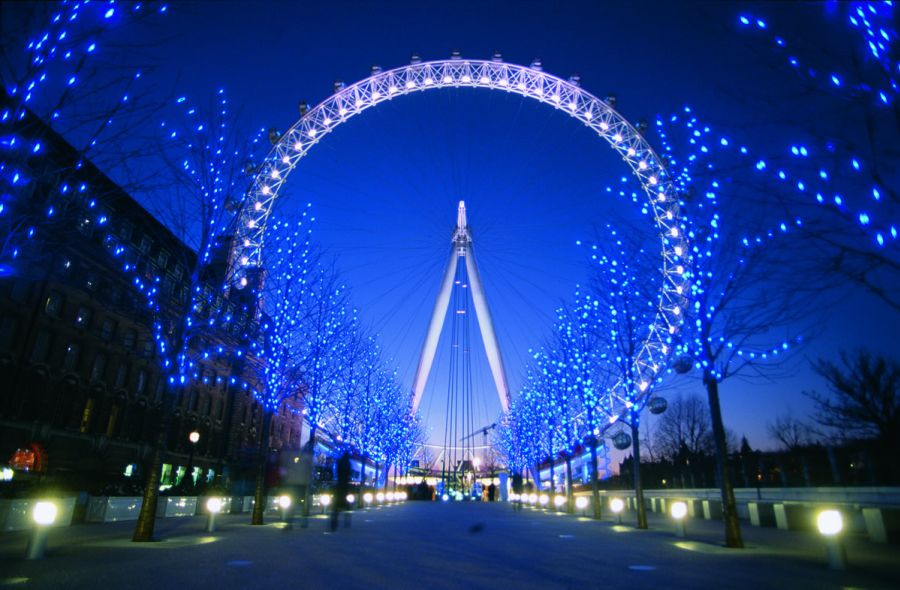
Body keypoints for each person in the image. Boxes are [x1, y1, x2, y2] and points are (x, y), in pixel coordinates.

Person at [331, 449, 352, 531]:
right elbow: (349, 473)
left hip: (339, 485)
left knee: (336, 507)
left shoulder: (340, 462)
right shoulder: (348, 463)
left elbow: (337, 472)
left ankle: (334, 523)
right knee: (347, 505)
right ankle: (346, 522)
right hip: (345, 486)